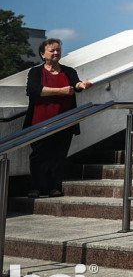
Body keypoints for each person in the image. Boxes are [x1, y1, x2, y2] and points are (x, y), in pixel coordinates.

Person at [24, 38, 93, 198]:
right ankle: (35, 187)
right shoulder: (35, 72)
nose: (56, 53)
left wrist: (81, 85)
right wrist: (60, 91)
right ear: (42, 54)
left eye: (58, 50)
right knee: (38, 155)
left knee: (58, 156)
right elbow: (33, 90)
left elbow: (75, 84)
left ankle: (55, 187)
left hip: (64, 121)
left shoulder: (68, 71)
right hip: (40, 121)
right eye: (52, 50)